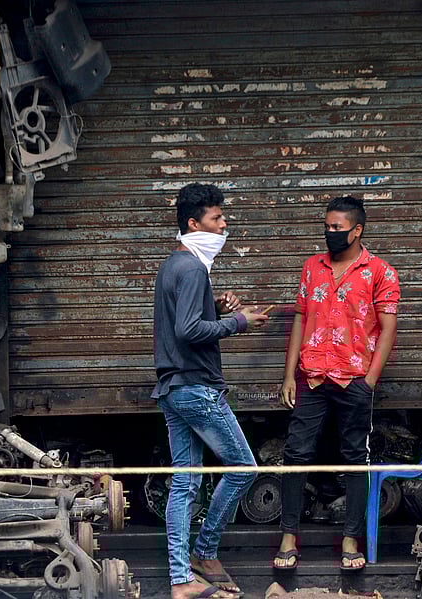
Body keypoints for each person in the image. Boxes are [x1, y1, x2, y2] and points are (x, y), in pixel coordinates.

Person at [153, 183, 269, 599]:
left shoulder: (175, 265)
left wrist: (213, 308)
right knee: (242, 467)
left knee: (184, 482)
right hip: (195, 386)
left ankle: (181, 579)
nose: (224, 225)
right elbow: (187, 331)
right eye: (216, 218)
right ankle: (204, 551)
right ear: (193, 223)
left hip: (173, 386)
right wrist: (238, 321)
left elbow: (186, 320)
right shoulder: (191, 268)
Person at [273, 196, 400, 571]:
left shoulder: (380, 271)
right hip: (311, 375)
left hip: (354, 377)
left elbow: (388, 326)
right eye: (326, 226)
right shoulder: (312, 267)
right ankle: (288, 537)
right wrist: (289, 374)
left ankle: (350, 539)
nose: (329, 233)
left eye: (336, 227)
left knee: (354, 459)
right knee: (296, 455)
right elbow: (299, 318)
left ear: (356, 230)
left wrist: (370, 380)